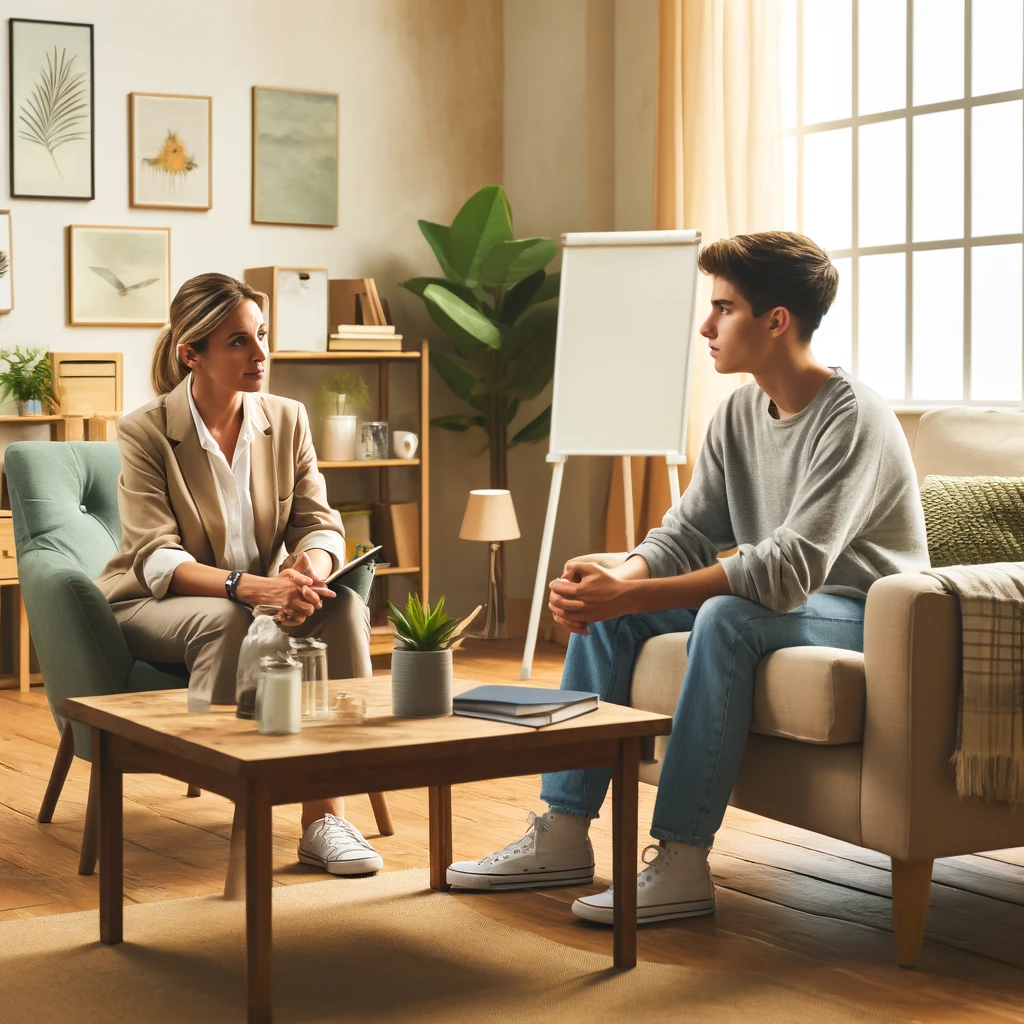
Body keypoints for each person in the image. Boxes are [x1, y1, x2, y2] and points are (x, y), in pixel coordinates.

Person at [446, 231, 930, 924]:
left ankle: (681, 859)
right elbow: (688, 531)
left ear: (776, 321)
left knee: (725, 618)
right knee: (612, 598)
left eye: (723, 309)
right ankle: (562, 830)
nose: (706, 325)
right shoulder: (737, 413)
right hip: (791, 603)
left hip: (865, 610)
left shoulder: (853, 415)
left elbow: (791, 568)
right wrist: (616, 575)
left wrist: (633, 591)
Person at [95, 272, 383, 877]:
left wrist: (308, 571)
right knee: (223, 618)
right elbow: (155, 556)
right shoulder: (145, 429)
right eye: (238, 342)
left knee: (344, 608)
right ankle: (238, 791)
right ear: (190, 354)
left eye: (262, 336)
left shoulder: (288, 418)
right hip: (156, 601)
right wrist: (253, 589)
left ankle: (324, 815)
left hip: (263, 594)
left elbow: (321, 522)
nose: (260, 354)